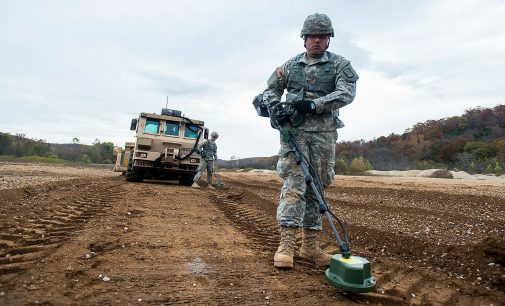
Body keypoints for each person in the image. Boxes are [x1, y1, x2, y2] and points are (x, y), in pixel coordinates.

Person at [261, 13, 359, 268]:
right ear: (304, 39)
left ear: (328, 40)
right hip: (294, 133)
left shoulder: (340, 65)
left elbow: (346, 93)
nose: (316, 40)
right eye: (312, 36)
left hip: (324, 134)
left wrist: (314, 104)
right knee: (294, 184)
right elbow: (270, 89)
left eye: (322, 36)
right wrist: (276, 108)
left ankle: (310, 247)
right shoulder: (290, 66)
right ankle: (286, 246)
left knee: (317, 186)